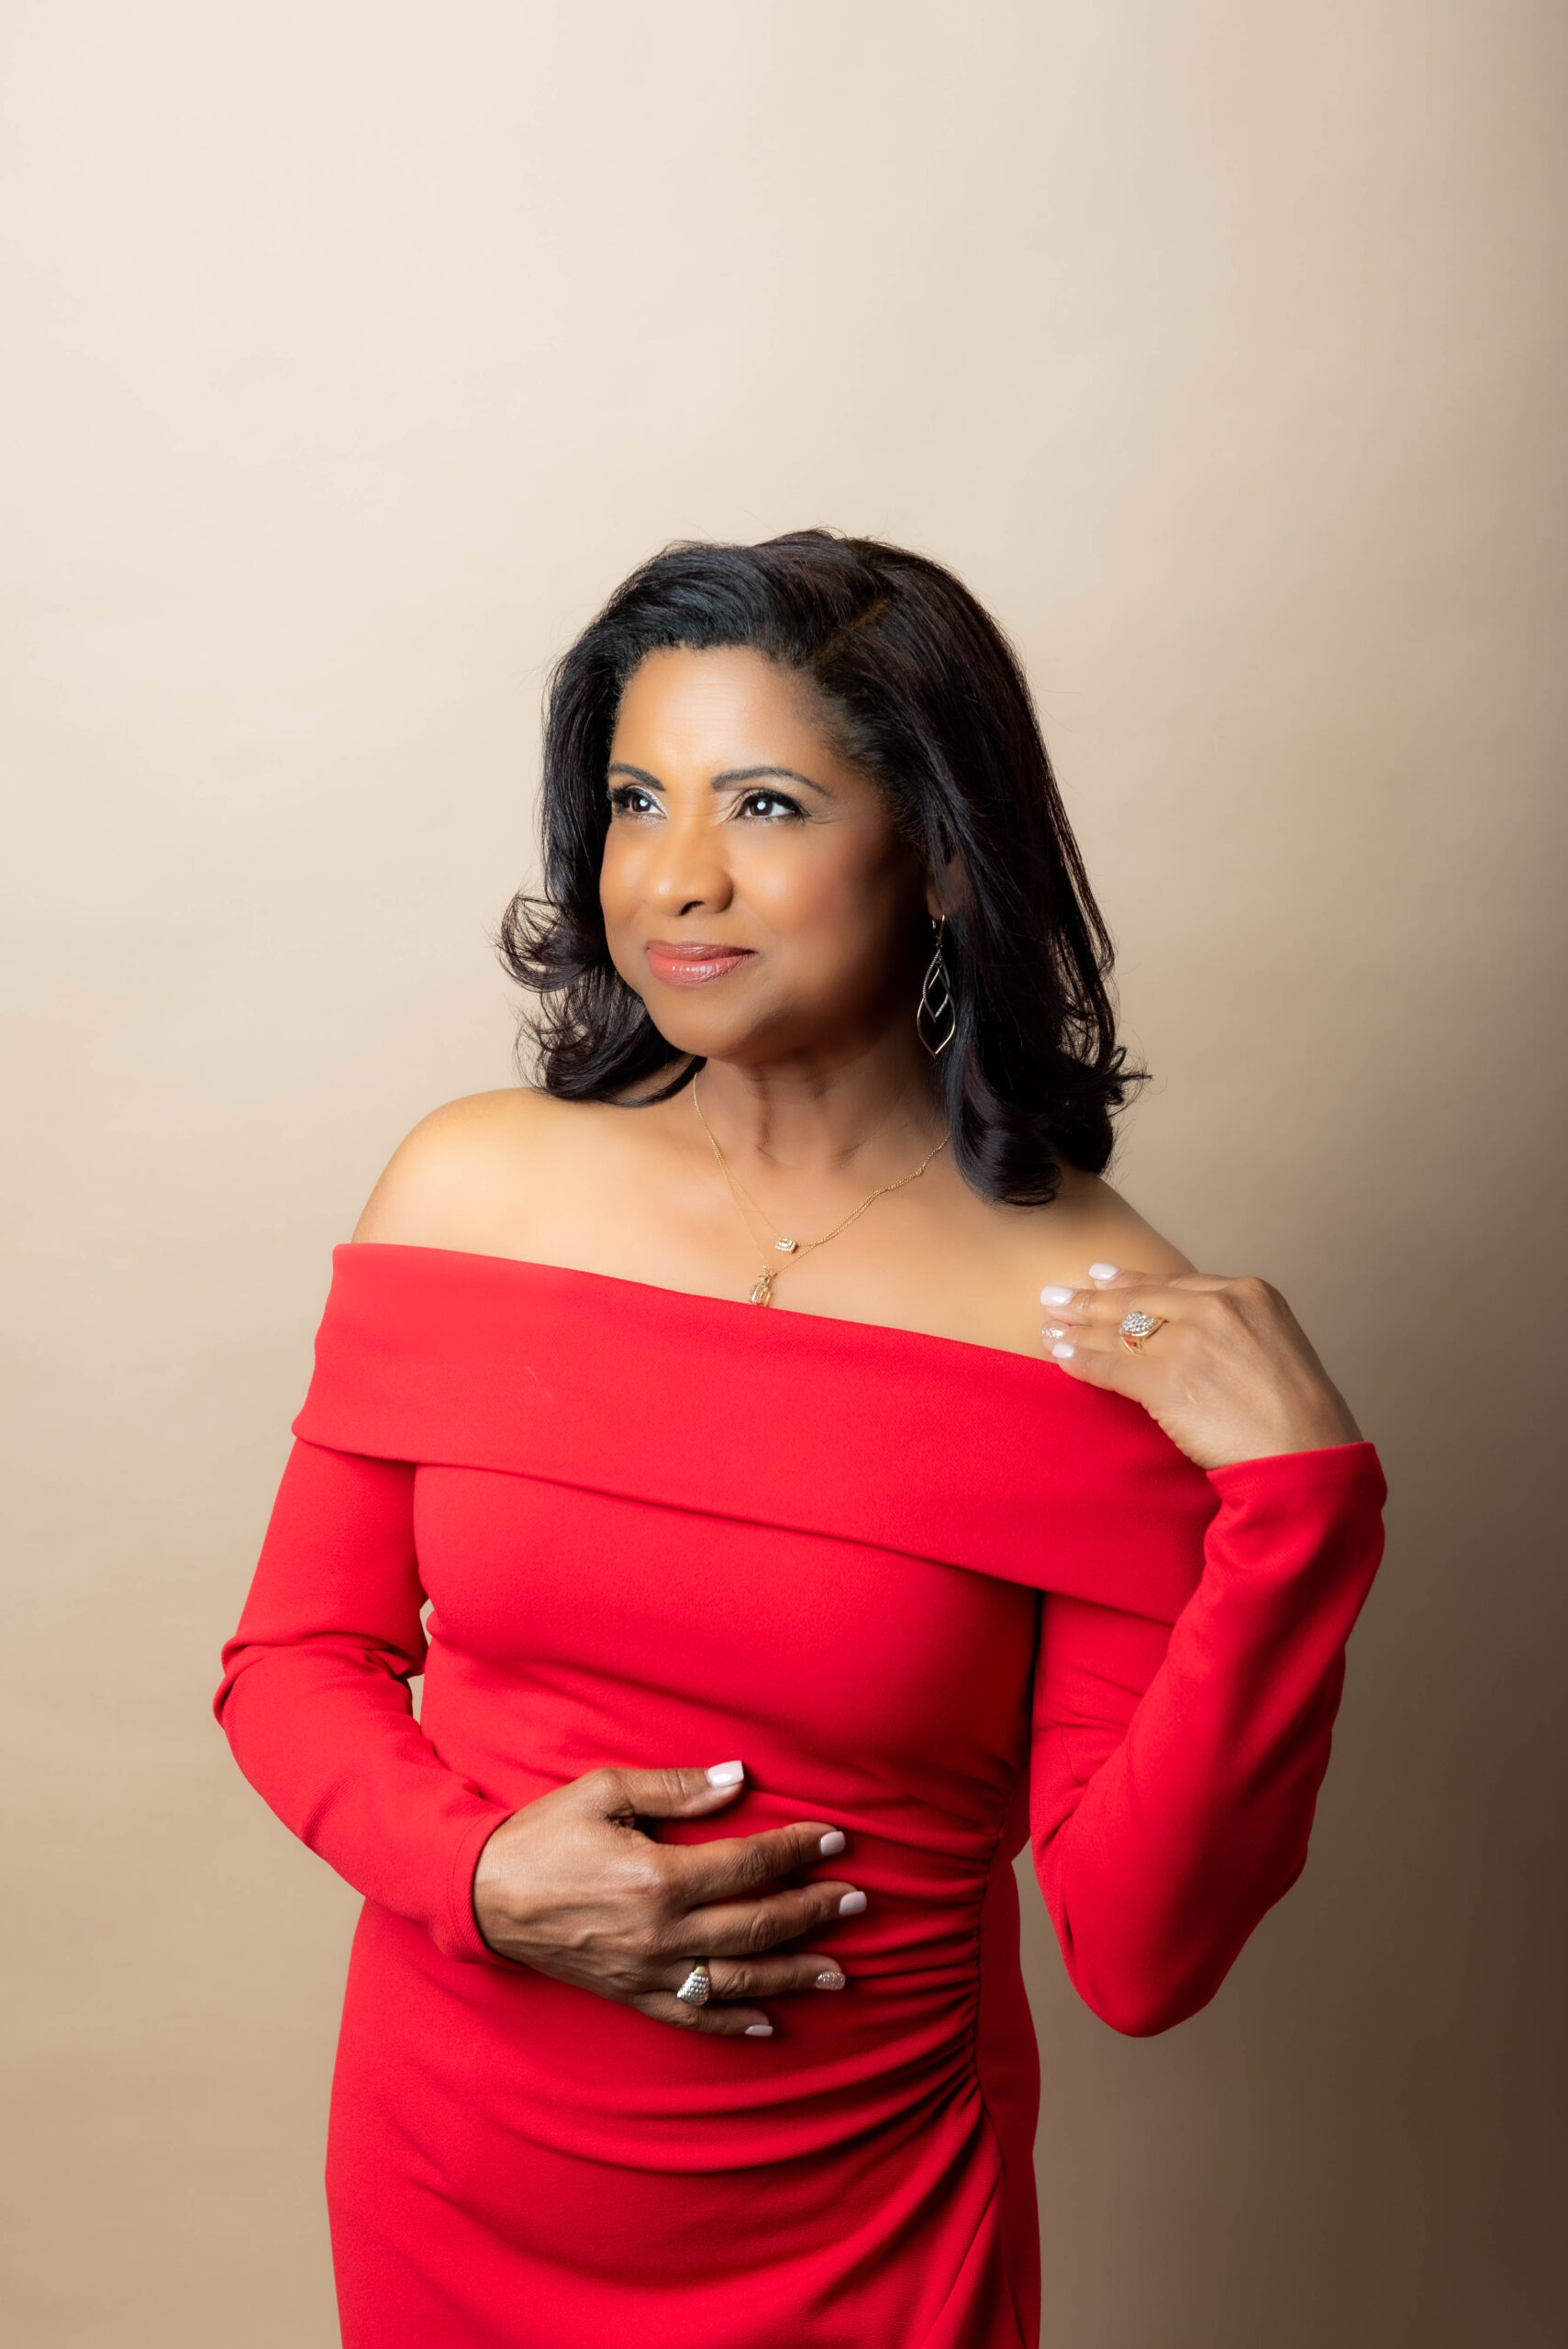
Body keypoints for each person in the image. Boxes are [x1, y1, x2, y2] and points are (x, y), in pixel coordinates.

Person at [215, 530, 1386, 2349]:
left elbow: (1142, 1954)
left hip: (867, 2228)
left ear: (931, 845)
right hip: (452, 2170)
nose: (678, 878)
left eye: (765, 801)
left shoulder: (1094, 1312)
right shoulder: (471, 1188)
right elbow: (295, 1660)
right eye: (633, 799)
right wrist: (476, 1871)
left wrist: (1301, 1514)